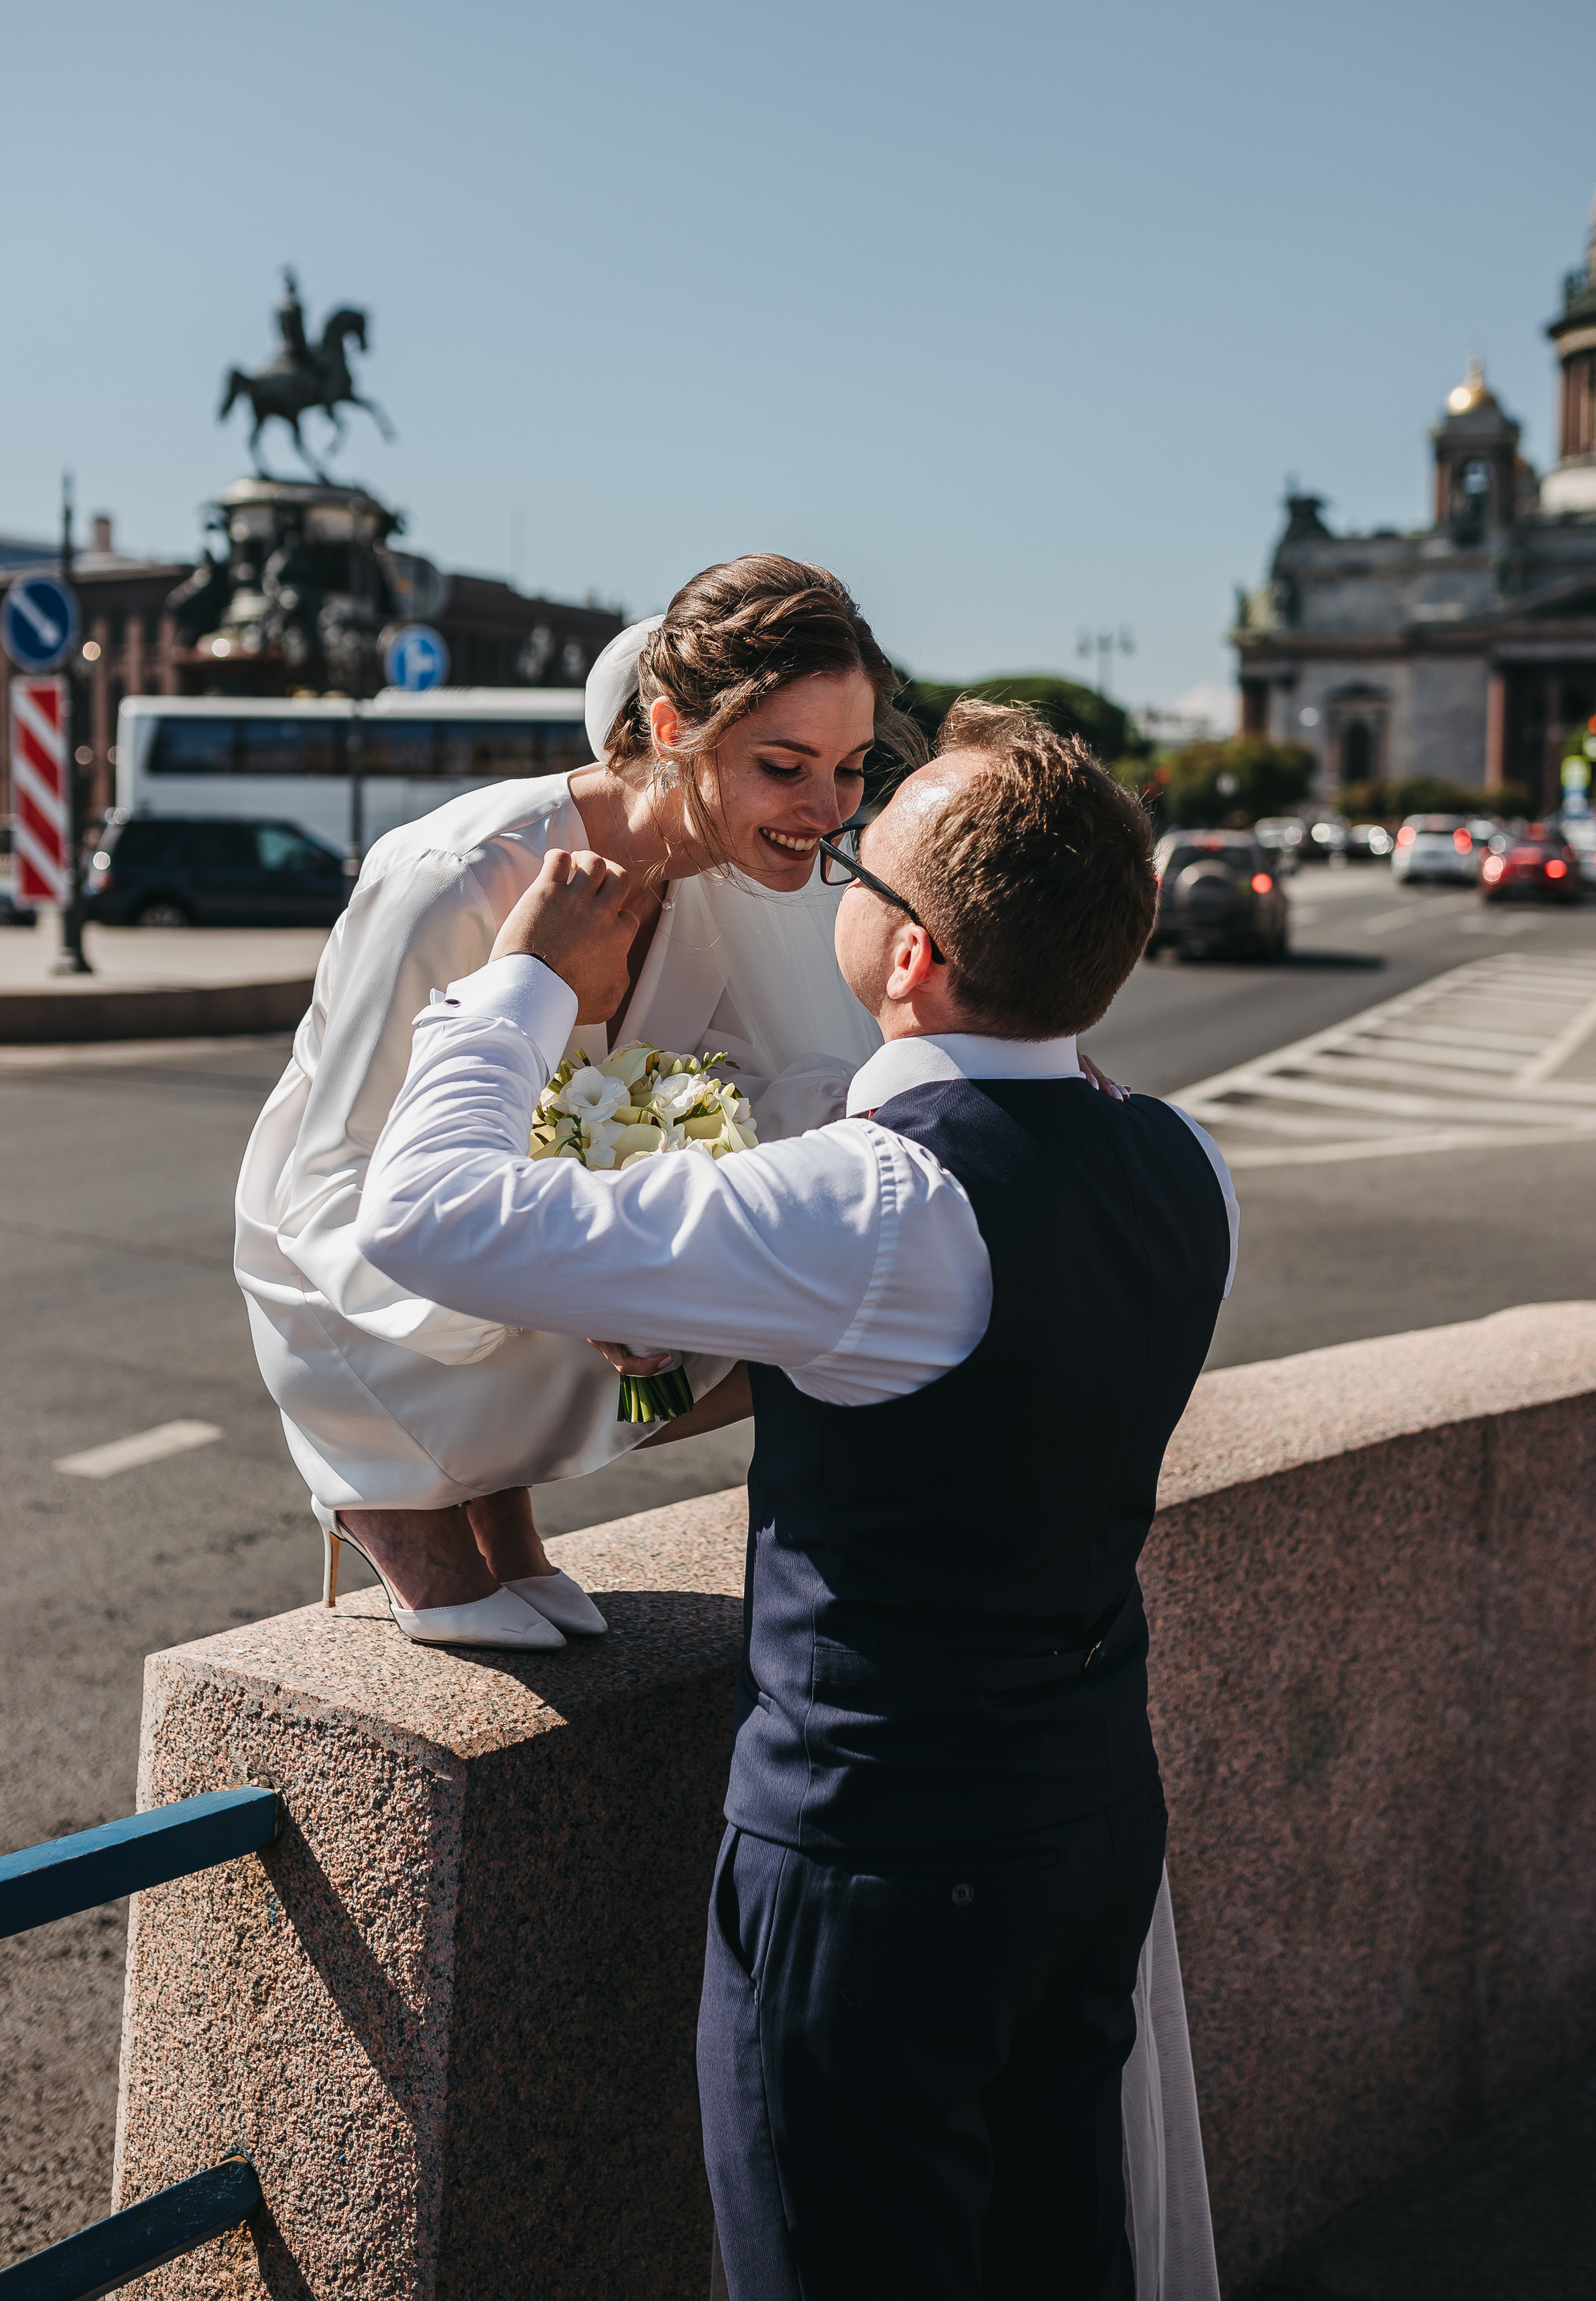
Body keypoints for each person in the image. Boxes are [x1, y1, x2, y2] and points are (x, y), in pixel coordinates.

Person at [355, 701, 1237, 2301]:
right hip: (1092, 1821)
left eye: (861, 863)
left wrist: (526, 984)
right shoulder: (1182, 1164)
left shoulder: (871, 1202)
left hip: (878, 1867)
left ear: (912, 956)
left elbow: (425, 1216)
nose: (831, 858)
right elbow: (962, 1360)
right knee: (1055, 2257)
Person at [235, 553, 930, 1651]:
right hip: (353, 1288)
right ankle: (385, 1487)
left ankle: (492, 1493)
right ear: (672, 729)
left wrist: (956, 1090)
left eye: (850, 768)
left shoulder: (725, 878)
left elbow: (756, 1102)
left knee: (862, 1286)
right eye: (783, 765)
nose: (827, 810)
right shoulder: (458, 874)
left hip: (540, 1268)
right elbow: (329, 1192)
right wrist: (575, 1268)